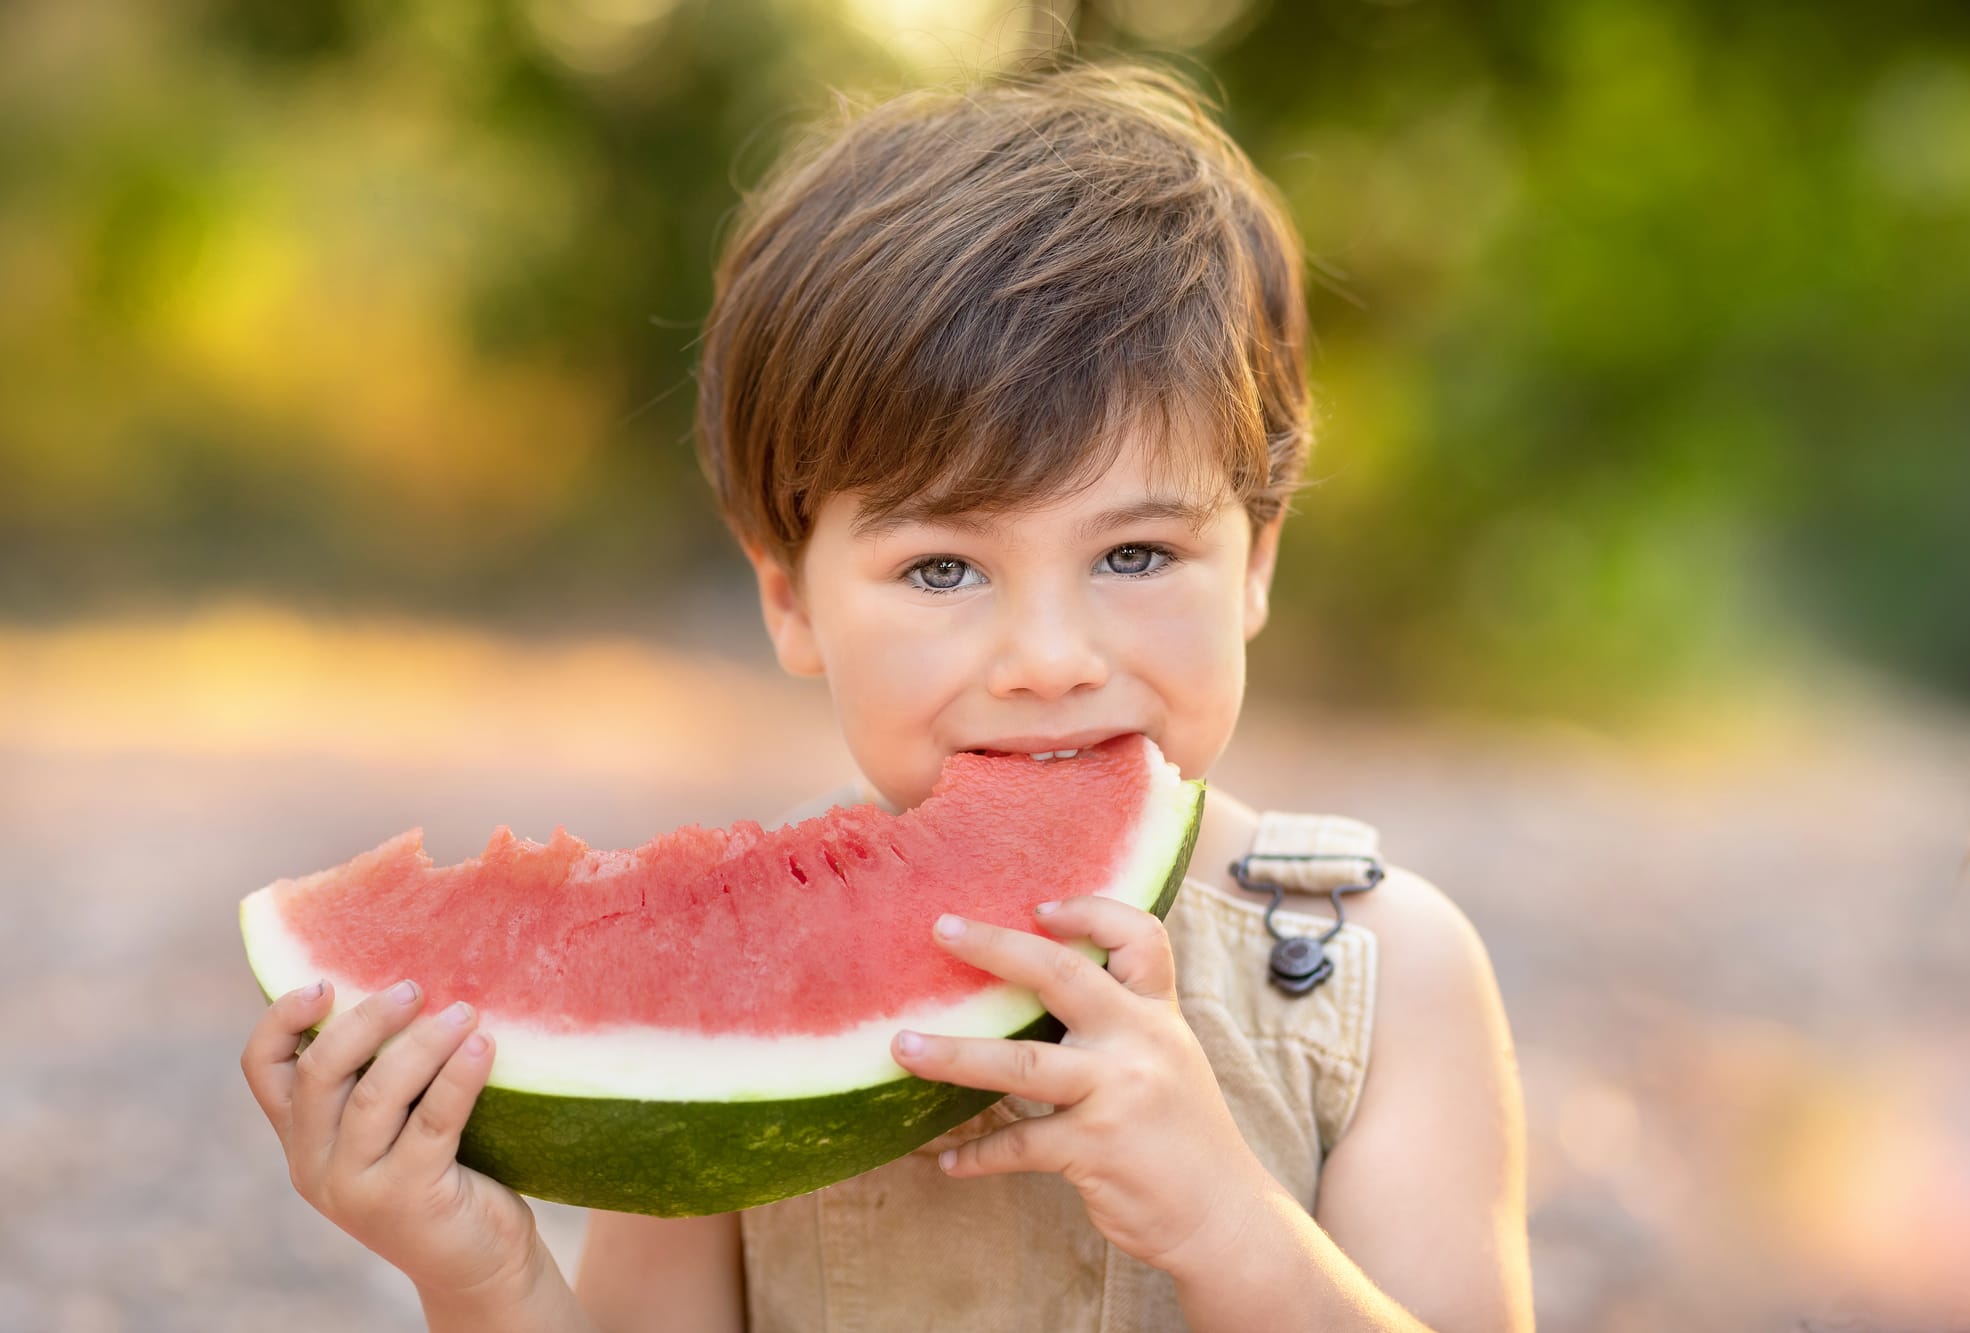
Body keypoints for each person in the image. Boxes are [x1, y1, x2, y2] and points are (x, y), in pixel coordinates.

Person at [239, 55, 1533, 1332]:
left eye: (1135, 554)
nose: (1049, 655)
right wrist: (481, 1277)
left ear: (1253, 562)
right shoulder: (724, 981)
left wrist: (1225, 1221)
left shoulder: (1382, 974)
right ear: (791, 598)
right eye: (943, 566)